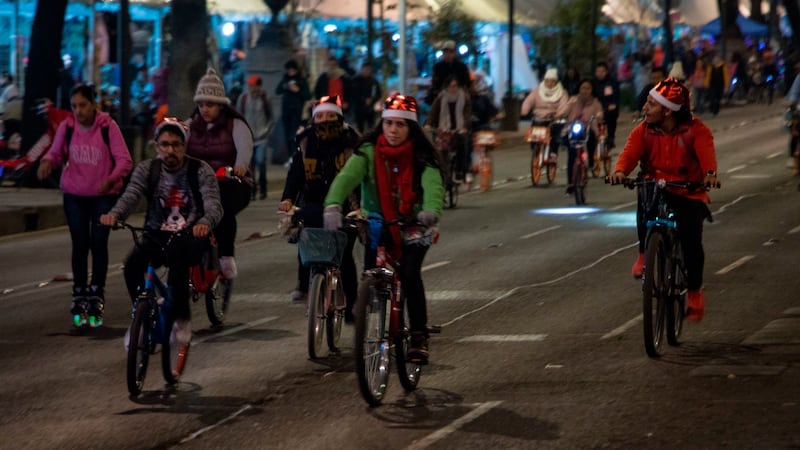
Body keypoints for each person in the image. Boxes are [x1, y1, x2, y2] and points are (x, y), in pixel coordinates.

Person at [323, 93, 444, 364]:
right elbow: (346, 178)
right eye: (389, 123)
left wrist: (431, 211)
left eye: (401, 124)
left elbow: (433, 186)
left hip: (414, 225)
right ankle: (371, 311)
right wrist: (332, 205)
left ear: (410, 128)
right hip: (378, 223)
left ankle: (418, 335)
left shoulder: (422, 156)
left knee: (410, 275)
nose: (393, 130)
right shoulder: (367, 151)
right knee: (372, 272)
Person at [100, 120, 223, 349]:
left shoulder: (200, 170)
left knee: (178, 258)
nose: (170, 150)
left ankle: (182, 319)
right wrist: (115, 215)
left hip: (191, 237)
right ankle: (141, 316)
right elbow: (131, 195)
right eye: (165, 145)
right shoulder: (148, 169)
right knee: (132, 266)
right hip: (156, 234)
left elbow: (214, 205)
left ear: (185, 146)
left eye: (176, 145)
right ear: (156, 147)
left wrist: (204, 223)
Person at [610, 77, 718, 322]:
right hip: (656, 184)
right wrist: (619, 172)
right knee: (644, 200)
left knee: (692, 242)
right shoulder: (644, 130)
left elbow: (707, 155)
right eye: (646, 103)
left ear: (668, 110)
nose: (644, 108)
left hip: (687, 188)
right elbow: (630, 153)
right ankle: (643, 253)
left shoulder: (695, 129)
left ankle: (694, 293)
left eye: (651, 104)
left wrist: (709, 175)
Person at [37, 84, 133, 325]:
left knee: (98, 243)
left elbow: (125, 160)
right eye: (74, 106)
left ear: (94, 105)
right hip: (75, 195)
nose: (78, 111)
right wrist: (48, 160)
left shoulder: (107, 127)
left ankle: (96, 292)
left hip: (103, 195)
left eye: (83, 105)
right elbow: (56, 152)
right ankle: (79, 291)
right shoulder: (68, 127)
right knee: (79, 243)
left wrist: (111, 179)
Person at [278, 96, 360, 316]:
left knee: (344, 255)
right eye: (320, 116)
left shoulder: (352, 143)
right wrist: (288, 198)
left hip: (345, 205)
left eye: (330, 115)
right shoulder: (305, 143)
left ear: (339, 117)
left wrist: (360, 208)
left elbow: (359, 178)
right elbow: (295, 175)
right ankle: (304, 285)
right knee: (306, 238)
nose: (325, 120)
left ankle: (352, 303)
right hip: (312, 202)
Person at [185, 68, 253, 280]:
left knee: (221, 206)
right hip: (198, 183)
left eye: (210, 104)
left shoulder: (236, 124)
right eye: (201, 104)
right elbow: (177, 144)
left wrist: (240, 166)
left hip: (230, 182)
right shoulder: (190, 126)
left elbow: (244, 148)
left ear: (221, 105)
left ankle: (226, 256)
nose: (205, 109)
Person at [556, 78, 603, 193]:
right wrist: (558, 116)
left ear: (592, 90)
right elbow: (565, 111)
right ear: (579, 89)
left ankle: (591, 160)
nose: (585, 91)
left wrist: (598, 116)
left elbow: (599, 113)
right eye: (583, 88)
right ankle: (570, 183)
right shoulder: (573, 100)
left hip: (588, 129)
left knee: (592, 137)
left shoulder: (595, 102)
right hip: (573, 129)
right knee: (572, 155)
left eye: (588, 88)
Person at [425, 76, 472, 182]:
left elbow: (467, 114)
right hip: (443, 129)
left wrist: (464, 127)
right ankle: (442, 174)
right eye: (451, 86)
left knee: (462, 145)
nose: (453, 88)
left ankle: (460, 171)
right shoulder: (441, 97)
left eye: (455, 86)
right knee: (440, 152)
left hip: (458, 129)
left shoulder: (464, 97)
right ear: (447, 87)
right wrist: (428, 124)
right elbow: (433, 112)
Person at [520, 68, 569, 163]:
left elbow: (564, 106)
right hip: (539, 118)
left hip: (554, 118)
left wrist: (558, 114)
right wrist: (524, 111)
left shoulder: (562, 93)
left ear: (557, 82)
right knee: (534, 134)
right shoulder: (537, 91)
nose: (549, 84)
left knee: (555, 134)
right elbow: (528, 101)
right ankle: (536, 150)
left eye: (552, 81)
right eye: (547, 81)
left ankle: (553, 153)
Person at [237, 75, 273, 200]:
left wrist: (266, 130)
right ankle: (252, 190)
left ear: (258, 86)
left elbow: (271, 117)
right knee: (250, 165)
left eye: (253, 85)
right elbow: (239, 116)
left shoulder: (264, 99)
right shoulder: (243, 98)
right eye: (249, 85)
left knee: (260, 162)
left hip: (261, 137)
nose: (250, 87)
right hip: (248, 137)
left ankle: (263, 188)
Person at [275, 59, 312, 163]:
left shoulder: (302, 80)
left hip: (297, 111)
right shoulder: (285, 79)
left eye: (292, 70)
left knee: (294, 135)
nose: (291, 73)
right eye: (289, 70)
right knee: (287, 135)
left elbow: (308, 95)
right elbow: (277, 91)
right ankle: (290, 156)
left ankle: (295, 156)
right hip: (286, 111)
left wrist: (298, 90)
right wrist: (285, 86)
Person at [425, 40, 471, 105]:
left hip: (458, 93)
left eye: (450, 52)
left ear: (455, 53)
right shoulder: (437, 67)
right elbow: (435, 83)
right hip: (442, 92)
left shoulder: (462, 67)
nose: (448, 54)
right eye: (446, 52)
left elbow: (466, 82)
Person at [593, 62, 621, 150]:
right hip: (596, 108)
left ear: (606, 72)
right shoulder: (593, 83)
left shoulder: (612, 82)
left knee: (612, 115)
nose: (600, 74)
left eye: (602, 71)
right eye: (598, 71)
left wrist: (614, 104)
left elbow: (616, 95)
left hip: (609, 107)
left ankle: (611, 137)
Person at [350, 62, 381, 133]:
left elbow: (378, 94)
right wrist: (363, 100)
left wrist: (372, 100)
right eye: (366, 69)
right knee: (359, 128)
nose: (368, 71)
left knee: (371, 128)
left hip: (370, 109)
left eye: (369, 70)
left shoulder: (374, 81)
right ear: (362, 69)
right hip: (359, 109)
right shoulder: (356, 80)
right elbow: (353, 94)